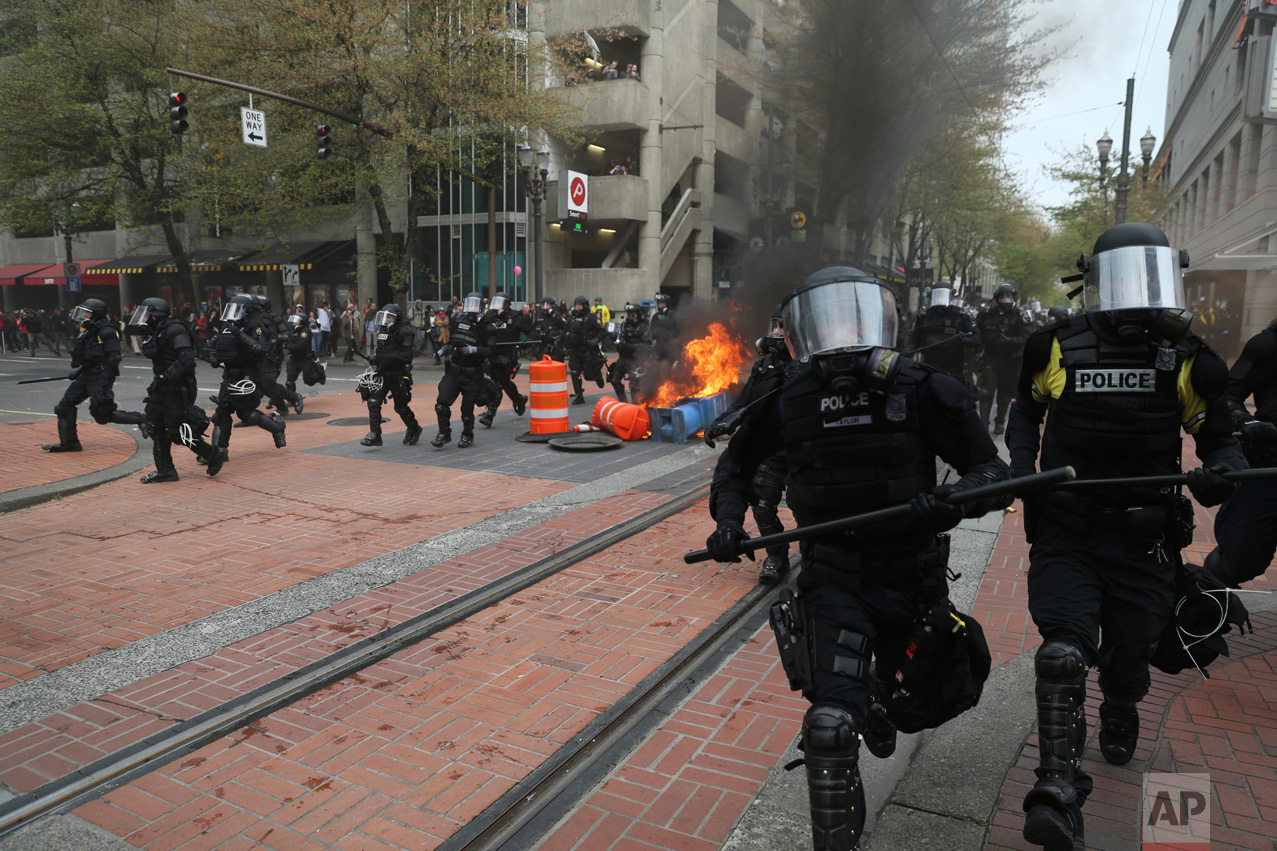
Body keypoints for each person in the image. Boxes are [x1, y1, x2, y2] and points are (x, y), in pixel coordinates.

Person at [704, 268, 1009, 851]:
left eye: (854, 320)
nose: (842, 338)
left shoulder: (922, 389)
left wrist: (951, 501)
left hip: (913, 580)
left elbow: (993, 472)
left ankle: (879, 702)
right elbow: (736, 469)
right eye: (829, 323)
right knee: (828, 725)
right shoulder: (789, 400)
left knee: (927, 700)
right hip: (834, 583)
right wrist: (727, 523)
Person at [1005, 223, 1248, 851]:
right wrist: (1019, 468)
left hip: (1145, 540)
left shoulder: (1188, 358)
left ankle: (1121, 703)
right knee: (1061, 651)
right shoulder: (1054, 347)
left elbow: (1216, 433)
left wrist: (1224, 468)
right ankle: (1056, 792)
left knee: (1129, 653)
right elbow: (1026, 409)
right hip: (1068, 530)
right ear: (1093, 283)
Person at [705, 306, 792, 584]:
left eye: (784, 327)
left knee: (810, 503)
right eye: (776, 325)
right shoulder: (765, 365)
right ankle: (777, 556)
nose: (777, 332)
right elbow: (743, 401)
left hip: (804, 444)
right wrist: (721, 422)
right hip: (769, 443)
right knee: (762, 501)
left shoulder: (812, 366)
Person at [1202, 315, 1277, 589]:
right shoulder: (1268, 345)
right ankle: (1202, 614)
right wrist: (1248, 422)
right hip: (1269, 467)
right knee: (1239, 558)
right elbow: (1229, 395)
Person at [129, 298, 222, 482]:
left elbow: (187, 358)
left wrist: (166, 377)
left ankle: (212, 454)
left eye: (147, 314)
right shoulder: (158, 330)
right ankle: (166, 471)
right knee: (154, 425)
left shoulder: (175, 329)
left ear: (155, 315)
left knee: (177, 430)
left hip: (177, 386)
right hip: (161, 386)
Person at [41, 298, 146, 452]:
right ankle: (70, 443)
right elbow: (92, 356)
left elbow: (114, 358)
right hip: (87, 375)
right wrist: (80, 371)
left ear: (97, 314)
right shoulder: (90, 330)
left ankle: (143, 419)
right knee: (64, 407)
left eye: (87, 312)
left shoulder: (107, 331)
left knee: (102, 414)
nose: (83, 315)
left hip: (100, 376)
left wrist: (104, 381)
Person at [209, 294, 287, 457]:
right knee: (222, 413)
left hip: (248, 375)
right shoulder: (228, 325)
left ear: (247, 311)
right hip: (229, 375)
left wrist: (238, 334)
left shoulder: (255, 326)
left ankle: (277, 427)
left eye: (237, 310)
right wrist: (218, 358)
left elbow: (259, 348)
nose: (233, 313)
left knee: (246, 414)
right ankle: (218, 451)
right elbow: (219, 344)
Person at [432, 292, 497, 448]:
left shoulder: (487, 327)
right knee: (441, 403)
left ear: (482, 307)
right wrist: (442, 351)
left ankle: (467, 435)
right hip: (455, 370)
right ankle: (444, 433)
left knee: (467, 409)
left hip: (473, 373)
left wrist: (475, 350)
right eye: (470, 304)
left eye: (476, 305)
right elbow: (451, 342)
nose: (472, 308)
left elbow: (491, 350)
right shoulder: (458, 320)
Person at [358, 303, 422, 447]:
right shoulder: (383, 330)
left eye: (389, 318)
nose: (386, 320)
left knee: (400, 407)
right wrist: (377, 359)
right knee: (373, 402)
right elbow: (381, 350)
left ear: (397, 318)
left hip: (397, 374)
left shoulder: (406, 331)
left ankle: (414, 428)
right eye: (384, 317)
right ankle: (375, 435)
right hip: (382, 373)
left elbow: (407, 357)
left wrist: (388, 357)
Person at [975, 282, 1031, 434]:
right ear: (997, 298)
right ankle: (984, 424)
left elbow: (1027, 336)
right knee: (986, 392)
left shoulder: (1020, 315)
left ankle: (999, 421)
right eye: (1003, 296)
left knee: (1005, 394)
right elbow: (975, 332)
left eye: (1009, 296)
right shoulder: (986, 314)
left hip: (1010, 360)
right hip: (990, 358)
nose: (1006, 299)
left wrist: (1012, 342)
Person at [908, 283, 981, 391]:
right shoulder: (924, 316)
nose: (940, 298)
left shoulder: (961, 315)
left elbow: (977, 339)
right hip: (929, 366)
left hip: (954, 368)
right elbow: (915, 339)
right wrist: (909, 349)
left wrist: (962, 340)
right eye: (937, 296)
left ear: (951, 297)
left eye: (943, 295)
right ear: (931, 297)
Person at [478, 291, 530, 427]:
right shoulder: (489, 316)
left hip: (508, 355)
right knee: (504, 382)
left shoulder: (516, 317)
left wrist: (525, 343)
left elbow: (530, 331)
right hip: (492, 354)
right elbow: (479, 331)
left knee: (497, 383)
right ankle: (519, 399)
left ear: (507, 305)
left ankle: (490, 413)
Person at [565, 295, 605, 405]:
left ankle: (597, 375)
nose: (577, 307)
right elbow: (567, 332)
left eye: (580, 305)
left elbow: (602, 331)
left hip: (587, 350)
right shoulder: (571, 319)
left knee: (588, 375)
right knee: (574, 371)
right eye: (576, 305)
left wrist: (595, 340)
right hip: (575, 350)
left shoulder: (591, 318)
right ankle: (579, 395)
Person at [608, 303, 651, 403]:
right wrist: (614, 337)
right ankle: (623, 401)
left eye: (634, 314)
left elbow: (646, 345)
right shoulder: (624, 326)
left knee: (633, 384)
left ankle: (636, 405)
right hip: (623, 358)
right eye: (630, 314)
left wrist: (628, 346)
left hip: (636, 359)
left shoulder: (643, 327)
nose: (632, 316)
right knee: (614, 379)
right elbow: (617, 336)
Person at [532, 297, 566, 362]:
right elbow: (533, 331)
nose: (545, 307)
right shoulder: (539, 317)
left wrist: (559, 338)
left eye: (547, 305)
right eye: (543, 305)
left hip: (555, 347)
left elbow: (565, 329)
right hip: (542, 346)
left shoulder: (557, 317)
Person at [649, 292, 679, 363]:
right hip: (659, 345)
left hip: (671, 345)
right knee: (654, 363)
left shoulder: (673, 315)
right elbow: (652, 331)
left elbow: (676, 329)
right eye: (659, 303)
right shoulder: (656, 316)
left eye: (663, 303)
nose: (661, 305)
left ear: (667, 304)